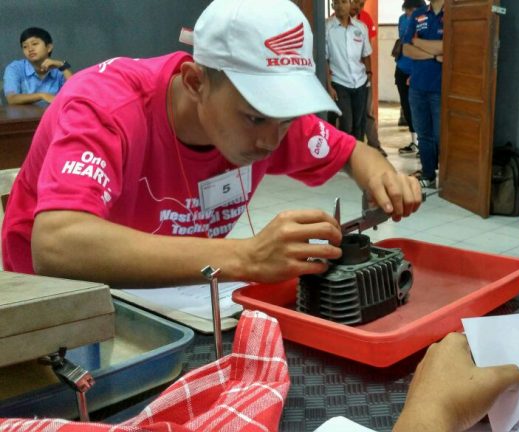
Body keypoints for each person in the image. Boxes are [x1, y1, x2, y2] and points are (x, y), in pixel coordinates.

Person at [0, 0, 421, 286]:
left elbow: (354, 153)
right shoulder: (104, 106)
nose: (271, 140)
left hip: (178, 288)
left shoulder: (272, 121)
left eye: (286, 118)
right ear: (195, 82)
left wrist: (382, 178)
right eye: (255, 117)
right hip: (58, 298)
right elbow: (56, 244)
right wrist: (247, 257)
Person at [402, 0, 444, 189]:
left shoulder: (453, 14)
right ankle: (428, 174)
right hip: (417, 87)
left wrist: (418, 42)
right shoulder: (418, 14)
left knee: (440, 135)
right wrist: (434, 55)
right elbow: (406, 48)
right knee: (424, 135)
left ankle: (449, 178)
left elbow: (448, 47)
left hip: (440, 88)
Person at [326, 0, 372, 141]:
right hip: (339, 83)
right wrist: (329, 86)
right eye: (336, 3)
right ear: (332, 6)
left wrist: (369, 75)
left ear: (350, 4)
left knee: (359, 125)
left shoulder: (361, 27)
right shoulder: (327, 28)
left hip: (360, 82)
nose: (340, 6)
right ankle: (345, 153)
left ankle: (356, 153)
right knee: (346, 124)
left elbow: (366, 54)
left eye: (344, 2)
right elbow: (324, 59)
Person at [350, 0, 386, 157]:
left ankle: (374, 146)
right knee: (347, 115)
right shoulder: (334, 20)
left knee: (367, 111)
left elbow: (368, 49)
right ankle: (348, 148)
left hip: (363, 75)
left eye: (362, 4)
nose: (358, 7)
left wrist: (368, 73)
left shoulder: (365, 19)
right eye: (356, 3)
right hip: (342, 77)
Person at [3, 27, 72, 107]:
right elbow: (11, 98)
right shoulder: (15, 68)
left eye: (34, 44)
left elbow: (74, 94)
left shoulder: (59, 70)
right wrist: (42, 95)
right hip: (24, 115)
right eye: (25, 46)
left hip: (53, 114)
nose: (30, 49)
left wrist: (61, 65)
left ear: (49, 47)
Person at [395, 0, 425, 157]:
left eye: (410, 11)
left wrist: (416, 73)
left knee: (419, 108)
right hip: (401, 69)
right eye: (406, 11)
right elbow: (403, 41)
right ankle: (414, 143)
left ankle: (424, 144)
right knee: (406, 107)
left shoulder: (425, 20)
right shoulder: (402, 19)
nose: (407, 14)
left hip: (418, 70)